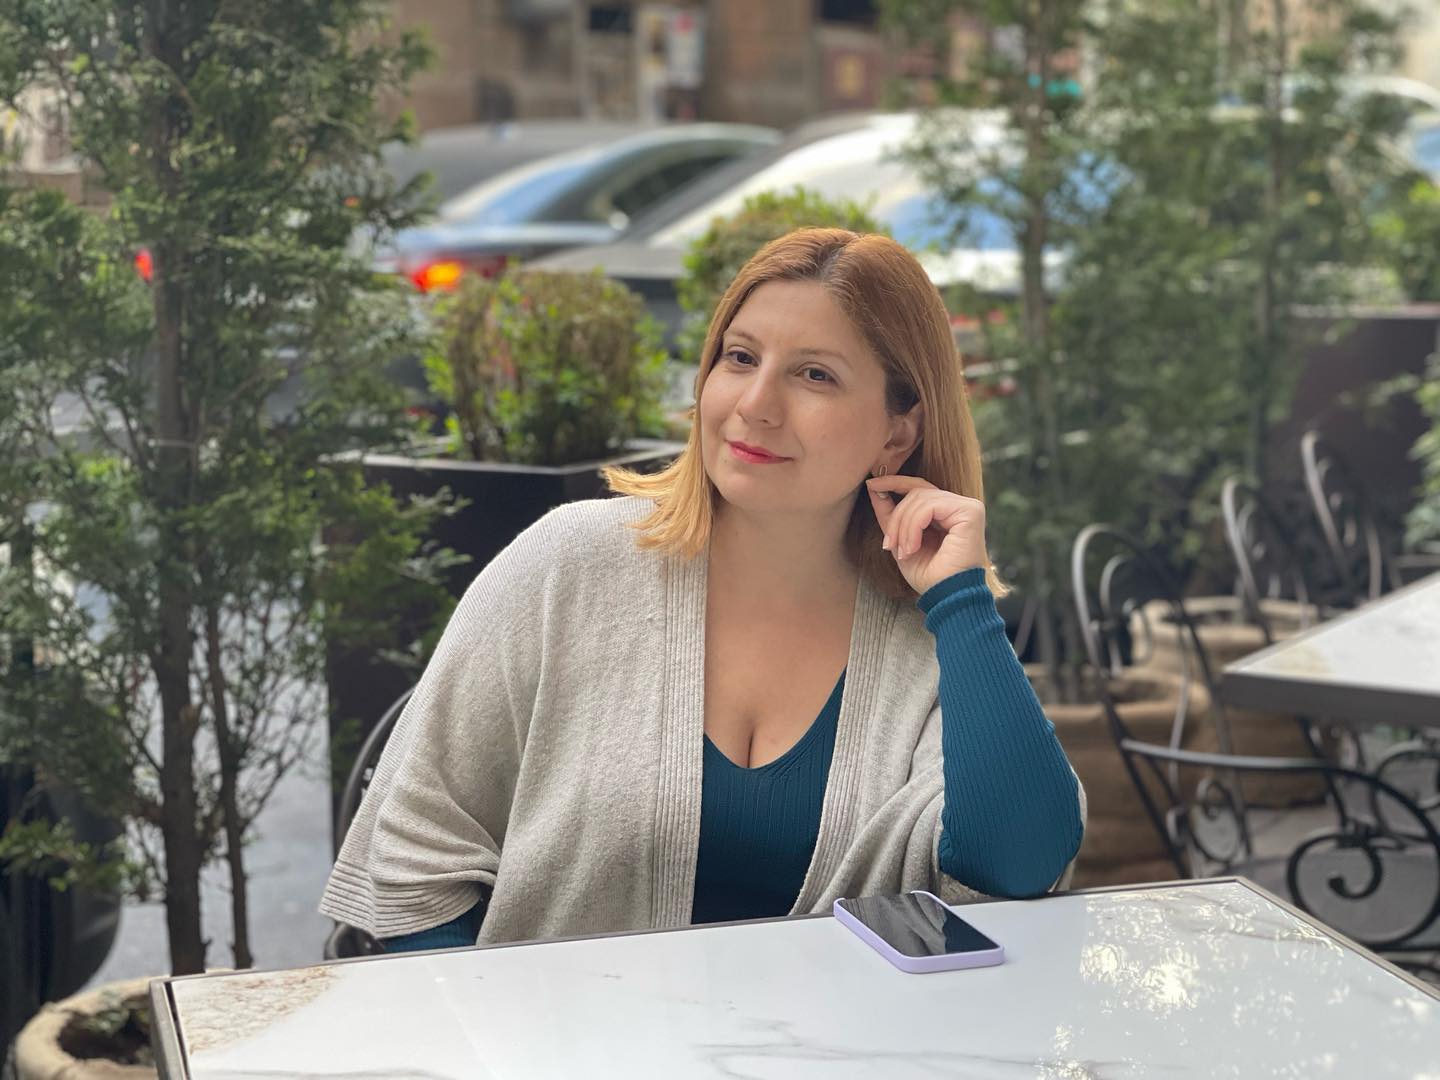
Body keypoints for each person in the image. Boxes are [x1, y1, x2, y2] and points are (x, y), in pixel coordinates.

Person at [320, 228, 1085, 951]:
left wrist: (959, 601)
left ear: (897, 432)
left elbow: (1020, 864)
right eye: (740, 358)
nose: (756, 404)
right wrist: (484, 1021)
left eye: (815, 375)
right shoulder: (571, 563)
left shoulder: (934, 629)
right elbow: (414, 846)